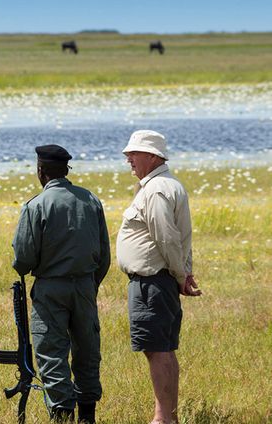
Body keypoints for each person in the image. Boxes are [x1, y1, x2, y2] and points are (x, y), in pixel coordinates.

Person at [12, 145, 110, 423]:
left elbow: (22, 260)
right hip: (85, 286)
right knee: (88, 350)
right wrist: (89, 284)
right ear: (66, 170)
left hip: (50, 289)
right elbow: (104, 255)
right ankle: (87, 416)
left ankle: (62, 415)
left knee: (52, 353)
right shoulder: (90, 200)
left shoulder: (36, 205)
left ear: (40, 171)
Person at [116, 130, 201, 424]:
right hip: (156, 281)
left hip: (152, 282)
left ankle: (164, 419)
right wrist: (184, 272)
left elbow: (167, 239)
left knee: (157, 349)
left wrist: (180, 275)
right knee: (160, 348)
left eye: (134, 153)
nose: (128, 158)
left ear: (152, 156)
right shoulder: (165, 185)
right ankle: (165, 416)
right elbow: (181, 237)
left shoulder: (155, 189)